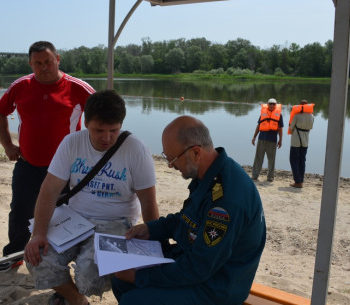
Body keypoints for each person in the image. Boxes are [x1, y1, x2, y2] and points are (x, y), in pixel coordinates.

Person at [112, 115, 266, 305]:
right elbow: (188, 219)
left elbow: (199, 268)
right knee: (120, 282)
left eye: (173, 159)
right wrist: (151, 229)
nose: (171, 166)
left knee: (133, 300)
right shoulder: (209, 173)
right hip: (196, 263)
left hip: (217, 286)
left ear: (195, 153)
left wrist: (140, 276)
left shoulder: (227, 201)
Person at [24, 90, 159, 305]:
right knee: (37, 258)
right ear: (86, 122)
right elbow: (48, 191)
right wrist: (39, 233)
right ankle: (77, 300)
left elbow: (149, 202)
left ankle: (71, 293)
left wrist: (156, 243)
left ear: (121, 124)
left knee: (89, 276)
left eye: (113, 130)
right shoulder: (71, 143)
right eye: (99, 130)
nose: (106, 138)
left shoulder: (136, 149)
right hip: (74, 219)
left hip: (117, 222)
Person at [0, 41, 96, 271]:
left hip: (67, 168)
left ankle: (65, 262)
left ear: (57, 59)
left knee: (67, 215)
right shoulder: (21, 86)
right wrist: (8, 145)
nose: (43, 67)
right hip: (28, 164)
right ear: (30, 64)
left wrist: (93, 149)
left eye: (48, 61)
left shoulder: (77, 87)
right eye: (37, 63)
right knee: (20, 211)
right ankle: (14, 256)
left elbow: (105, 113)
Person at [251, 98, 283, 182]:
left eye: (273, 104)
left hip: (272, 140)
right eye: (270, 103)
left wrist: (280, 140)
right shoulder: (263, 114)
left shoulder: (279, 115)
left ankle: (270, 177)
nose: (272, 105)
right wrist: (254, 137)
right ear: (267, 104)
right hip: (261, 139)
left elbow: (280, 129)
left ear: (276, 105)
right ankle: (254, 175)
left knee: (271, 159)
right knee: (258, 158)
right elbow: (258, 126)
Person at [288, 100, 315, 188]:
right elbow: (311, 128)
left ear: (300, 106)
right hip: (306, 141)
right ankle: (301, 181)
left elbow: (291, 128)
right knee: (302, 161)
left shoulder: (296, 116)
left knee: (293, 160)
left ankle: (297, 181)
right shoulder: (312, 116)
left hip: (296, 141)